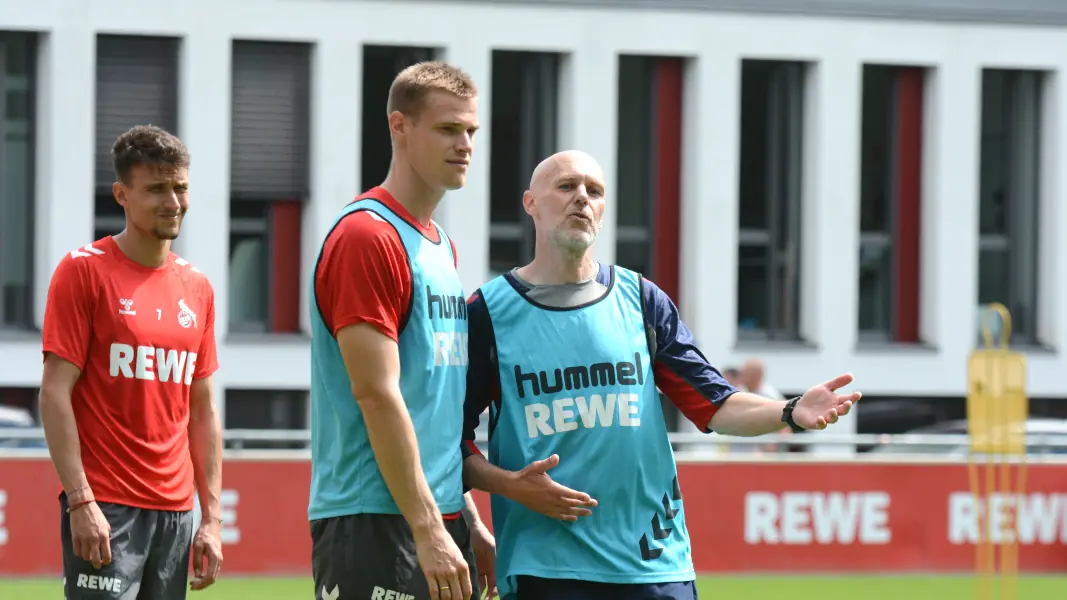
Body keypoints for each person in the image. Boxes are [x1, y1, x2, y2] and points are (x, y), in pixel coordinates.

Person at [460, 150, 862, 600]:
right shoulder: (488, 313)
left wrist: (789, 411)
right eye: (567, 186)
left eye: (594, 191)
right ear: (530, 202)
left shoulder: (641, 300)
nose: (582, 199)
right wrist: (508, 486)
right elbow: (444, 438)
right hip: (546, 568)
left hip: (653, 565)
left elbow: (715, 404)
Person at [308, 61, 496, 600]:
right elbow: (376, 393)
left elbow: (432, 405)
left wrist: (467, 519)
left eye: (470, 131)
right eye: (447, 129)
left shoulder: (441, 246)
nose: (464, 144)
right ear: (399, 127)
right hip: (376, 518)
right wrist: (427, 526)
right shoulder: (367, 237)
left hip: (436, 515)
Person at [39, 125, 224, 599]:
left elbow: (201, 410)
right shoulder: (83, 271)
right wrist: (81, 500)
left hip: (177, 514)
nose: (173, 201)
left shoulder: (198, 287)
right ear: (122, 194)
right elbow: (55, 392)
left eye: (180, 187)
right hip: (108, 506)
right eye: (156, 189)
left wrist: (212, 519)